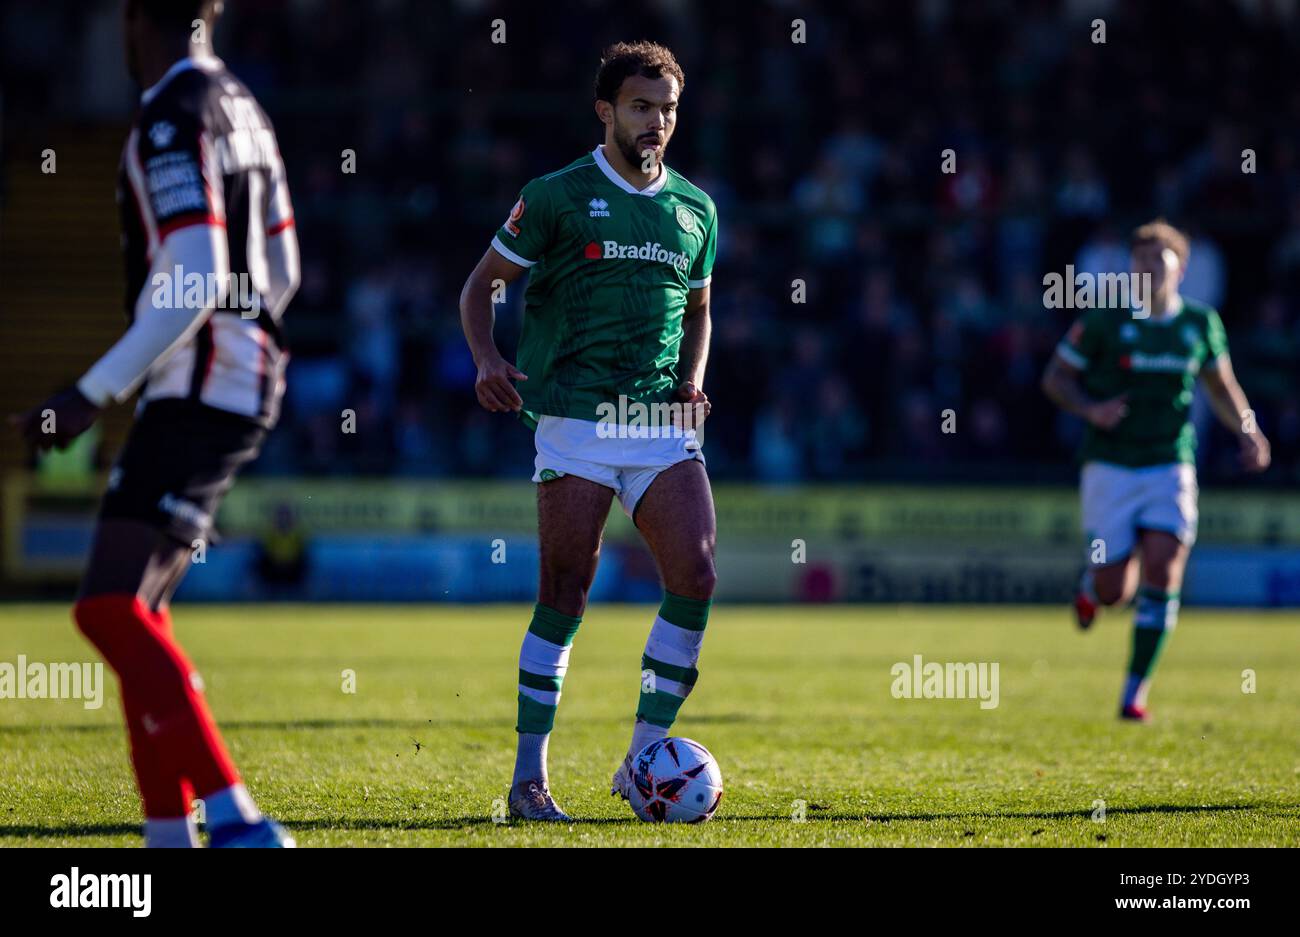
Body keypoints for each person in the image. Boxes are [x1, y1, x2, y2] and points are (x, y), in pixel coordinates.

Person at [11, 0, 299, 846]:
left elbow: (200, 269)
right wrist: (251, 336)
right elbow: (278, 262)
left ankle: (238, 818)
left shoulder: (171, 114)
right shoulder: (241, 103)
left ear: (132, 19)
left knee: (104, 606)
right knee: (139, 608)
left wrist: (93, 390)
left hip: (200, 382)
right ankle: (168, 831)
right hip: (233, 374)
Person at [458, 41, 718, 819]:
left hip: (660, 423)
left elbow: (700, 309)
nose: (657, 123)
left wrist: (693, 379)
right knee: (566, 592)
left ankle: (642, 755)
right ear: (606, 111)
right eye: (642, 107)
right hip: (574, 418)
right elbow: (483, 287)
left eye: (668, 109)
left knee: (696, 575)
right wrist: (485, 358)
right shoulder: (557, 196)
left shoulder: (696, 209)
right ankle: (528, 780)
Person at [1041, 219, 1269, 721]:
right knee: (1112, 590)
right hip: (1110, 465)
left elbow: (1221, 385)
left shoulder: (1200, 323)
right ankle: (1090, 587)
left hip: (1170, 461)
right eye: (1139, 261)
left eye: (1157, 261)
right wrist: (1090, 409)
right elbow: (1056, 378)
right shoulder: (1104, 319)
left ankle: (1133, 692)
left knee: (1165, 567)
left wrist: (1249, 430)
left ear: (1180, 269)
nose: (1146, 269)